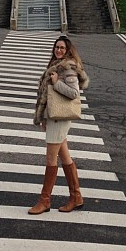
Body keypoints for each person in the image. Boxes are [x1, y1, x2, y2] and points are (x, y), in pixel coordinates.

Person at [29, 35, 89, 215]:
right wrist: (45, 118)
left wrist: (56, 83)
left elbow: (73, 93)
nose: (59, 50)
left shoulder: (67, 69)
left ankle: (45, 201)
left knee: (51, 159)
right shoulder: (56, 65)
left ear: (68, 50)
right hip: (54, 117)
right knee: (65, 157)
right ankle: (76, 197)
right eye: (57, 47)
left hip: (60, 118)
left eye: (62, 48)